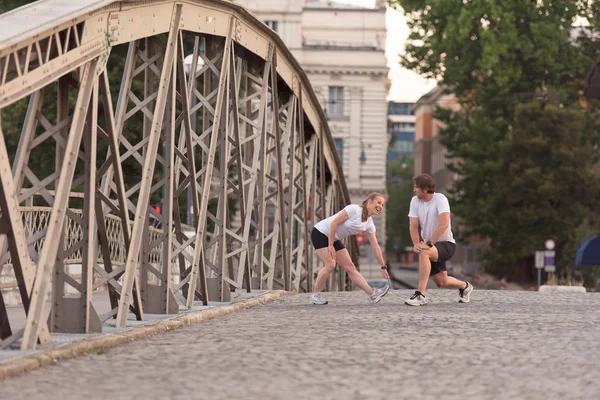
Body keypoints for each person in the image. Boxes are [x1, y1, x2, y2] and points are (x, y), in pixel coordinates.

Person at [309, 192, 391, 305]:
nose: (381, 207)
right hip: (320, 232)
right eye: (379, 203)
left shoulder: (369, 224)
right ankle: (315, 295)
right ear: (370, 201)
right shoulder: (354, 210)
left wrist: (383, 266)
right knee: (330, 264)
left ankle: (373, 294)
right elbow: (334, 223)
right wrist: (331, 245)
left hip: (334, 238)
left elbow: (376, 247)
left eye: (382, 204)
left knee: (350, 267)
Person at [404, 174, 473, 306]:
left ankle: (420, 295)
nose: (414, 190)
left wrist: (428, 244)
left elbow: (444, 224)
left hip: (446, 244)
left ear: (424, 189)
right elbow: (413, 226)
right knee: (442, 282)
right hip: (431, 246)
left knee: (424, 252)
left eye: (416, 187)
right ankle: (465, 286)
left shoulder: (440, 199)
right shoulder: (415, 201)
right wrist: (416, 244)